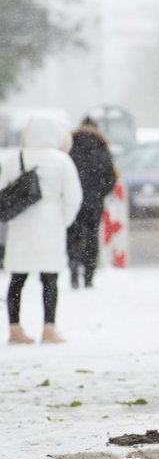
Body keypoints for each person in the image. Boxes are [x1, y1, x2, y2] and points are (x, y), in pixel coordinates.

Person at [5, 115, 82, 344]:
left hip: (20, 223)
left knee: (17, 278)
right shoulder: (62, 160)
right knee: (49, 279)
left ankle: (14, 328)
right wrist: (64, 220)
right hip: (51, 223)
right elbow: (73, 196)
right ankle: (49, 328)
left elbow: (3, 191)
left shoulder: (14, 158)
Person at [66, 117, 116, 289]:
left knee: (73, 234)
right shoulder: (102, 147)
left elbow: (65, 175)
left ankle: (73, 267)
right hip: (94, 201)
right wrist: (100, 193)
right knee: (91, 237)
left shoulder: (70, 146)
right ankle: (89, 275)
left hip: (73, 200)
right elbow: (111, 177)